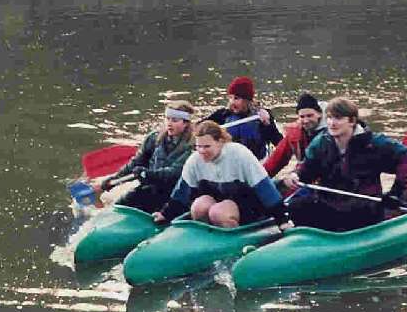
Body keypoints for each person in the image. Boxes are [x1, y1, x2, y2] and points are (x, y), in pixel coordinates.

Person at [283, 97, 407, 231]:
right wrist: (295, 175)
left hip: (364, 209)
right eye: (329, 118)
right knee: (296, 206)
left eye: (338, 118)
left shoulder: (374, 143)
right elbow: (306, 171)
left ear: (352, 121)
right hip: (330, 205)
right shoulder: (321, 142)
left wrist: (395, 192)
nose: (332, 123)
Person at [153, 121, 287, 228]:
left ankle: (233, 238)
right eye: (198, 146)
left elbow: (265, 188)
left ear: (220, 142)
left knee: (218, 212)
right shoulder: (194, 160)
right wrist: (165, 214)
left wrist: (282, 220)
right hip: (219, 201)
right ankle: (208, 238)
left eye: (207, 146)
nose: (202, 151)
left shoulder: (240, 155)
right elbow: (182, 192)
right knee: (199, 206)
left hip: (248, 204)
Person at [92, 100, 195, 213]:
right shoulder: (154, 138)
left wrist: (147, 174)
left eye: (174, 120)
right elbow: (135, 164)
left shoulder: (193, 146)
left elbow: (175, 172)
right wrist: (110, 181)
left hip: (176, 194)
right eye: (167, 119)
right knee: (119, 207)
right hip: (151, 189)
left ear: (185, 123)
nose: (169, 124)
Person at [201, 76, 282, 160]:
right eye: (230, 98)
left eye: (236, 98)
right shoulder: (222, 115)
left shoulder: (261, 116)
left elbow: (279, 143)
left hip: (256, 162)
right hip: (230, 162)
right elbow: (199, 129)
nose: (232, 102)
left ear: (247, 100)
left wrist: (267, 124)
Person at [263, 91, 326, 178]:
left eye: (309, 116)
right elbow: (276, 160)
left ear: (319, 114)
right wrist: (259, 179)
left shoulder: (333, 132)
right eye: (302, 117)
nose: (306, 121)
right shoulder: (295, 134)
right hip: (304, 174)